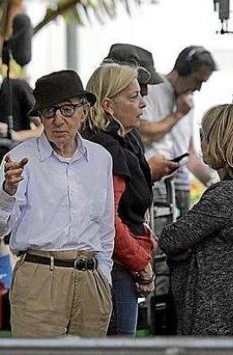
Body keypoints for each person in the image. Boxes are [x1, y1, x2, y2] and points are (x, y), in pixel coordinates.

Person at [0, 70, 114, 338]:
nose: (58, 120)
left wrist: (104, 275)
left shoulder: (101, 158)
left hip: (90, 278)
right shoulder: (20, 158)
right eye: (48, 112)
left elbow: (105, 225)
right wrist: (9, 190)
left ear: (84, 111)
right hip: (40, 275)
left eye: (67, 110)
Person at [158, 104, 233, 336]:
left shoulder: (226, 195)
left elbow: (171, 239)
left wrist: (185, 249)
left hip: (217, 323)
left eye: (205, 135)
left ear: (219, 141)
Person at [83, 63, 157, 336]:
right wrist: (141, 264)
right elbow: (109, 220)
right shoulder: (106, 146)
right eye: (134, 96)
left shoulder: (123, 140)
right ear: (108, 105)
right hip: (116, 267)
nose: (143, 103)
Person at [139, 45, 218, 216]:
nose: (198, 88)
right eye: (198, 80)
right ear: (183, 69)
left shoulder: (186, 101)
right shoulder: (152, 89)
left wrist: (213, 184)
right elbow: (145, 134)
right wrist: (178, 114)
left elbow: (189, 154)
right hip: (154, 182)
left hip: (180, 186)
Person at [103, 43, 179, 182]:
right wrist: (148, 171)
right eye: (134, 92)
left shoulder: (128, 133)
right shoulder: (99, 140)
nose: (145, 92)